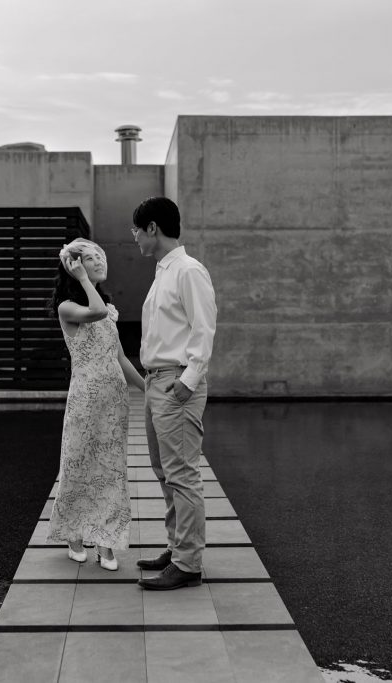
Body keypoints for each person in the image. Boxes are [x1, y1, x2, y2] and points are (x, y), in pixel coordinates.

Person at [131, 197, 217, 590]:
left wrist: (187, 382)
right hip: (157, 382)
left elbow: (204, 329)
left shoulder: (188, 271)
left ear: (153, 228)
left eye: (136, 229)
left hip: (176, 383)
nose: (133, 237)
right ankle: (178, 547)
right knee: (165, 472)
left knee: (182, 474)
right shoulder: (163, 272)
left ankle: (188, 564)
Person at [46, 238, 145, 571]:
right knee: (78, 464)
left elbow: (118, 357)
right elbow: (97, 311)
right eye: (90, 258)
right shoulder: (68, 308)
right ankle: (74, 535)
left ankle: (106, 542)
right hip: (86, 398)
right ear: (75, 267)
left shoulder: (109, 308)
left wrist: (146, 388)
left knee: (111, 470)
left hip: (115, 398)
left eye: (101, 255)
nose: (100, 261)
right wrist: (84, 281)